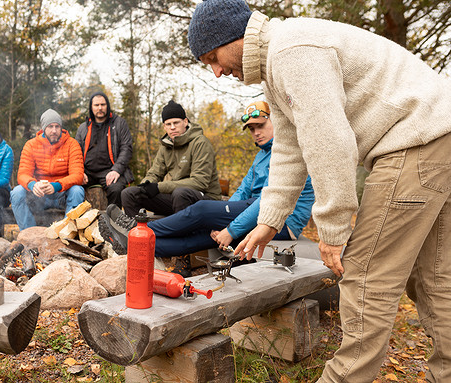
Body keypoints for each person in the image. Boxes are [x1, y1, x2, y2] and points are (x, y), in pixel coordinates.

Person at [188, 1, 451, 382]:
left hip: (415, 143)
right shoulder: (278, 64)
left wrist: (332, 231)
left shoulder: (293, 52)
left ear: (236, 36)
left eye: (214, 57)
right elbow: (290, 148)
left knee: (364, 275)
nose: (216, 71)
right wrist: (268, 220)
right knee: (433, 276)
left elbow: (329, 142)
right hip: (439, 136)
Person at [101, 101, 314, 276]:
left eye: (260, 126)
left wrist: (231, 229)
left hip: (282, 221)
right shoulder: (262, 156)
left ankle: (137, 232)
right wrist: (223, 219)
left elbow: (270, 202)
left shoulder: (289, 153)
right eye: (251, 129)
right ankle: (138, 245)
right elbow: (243, 190)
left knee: (201, 210)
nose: (256, 133)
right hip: (258, 211)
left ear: (276, 122)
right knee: (196, 238)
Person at [120, 100, 222, 221]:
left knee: (180, 193)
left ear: (185, 121)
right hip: (176, 199)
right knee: (129, 193)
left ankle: (180, 237)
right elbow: (154, 173)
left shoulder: (200, 143)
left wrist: (159, 187)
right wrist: (146, 185)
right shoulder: (166, 145)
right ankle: (135, 235)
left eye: (176, 123)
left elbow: (200, 182)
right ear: (164, 126)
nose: (172, 127)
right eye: (168, 124)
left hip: (206, 199)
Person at [11, 109, 85, 231]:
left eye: (57, 126)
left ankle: (67, 233)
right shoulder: (31, 145)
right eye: (50, 127)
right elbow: (23, 174)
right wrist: (32, 184)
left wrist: (57, 186)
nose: (54, 131)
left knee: (77, 190)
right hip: (39, 195)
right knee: (17, 192)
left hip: (62, 194)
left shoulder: (72, 144)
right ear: (43, 128)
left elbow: (78, 175)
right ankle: (29, 234)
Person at [75, 92, 133, 207]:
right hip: (87, 172)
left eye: (103, 104)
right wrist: (79, 171)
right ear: (91, 108)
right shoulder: (83, 128)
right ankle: (78, 222)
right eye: (96, 105)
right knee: (74, 189)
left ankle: (113, 222)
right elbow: (75, 153)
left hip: (110, 170)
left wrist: (116, 170)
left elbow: (127, 148)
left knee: (116, 190)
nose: (100, 108)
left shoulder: (119, 123)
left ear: (108, 106)